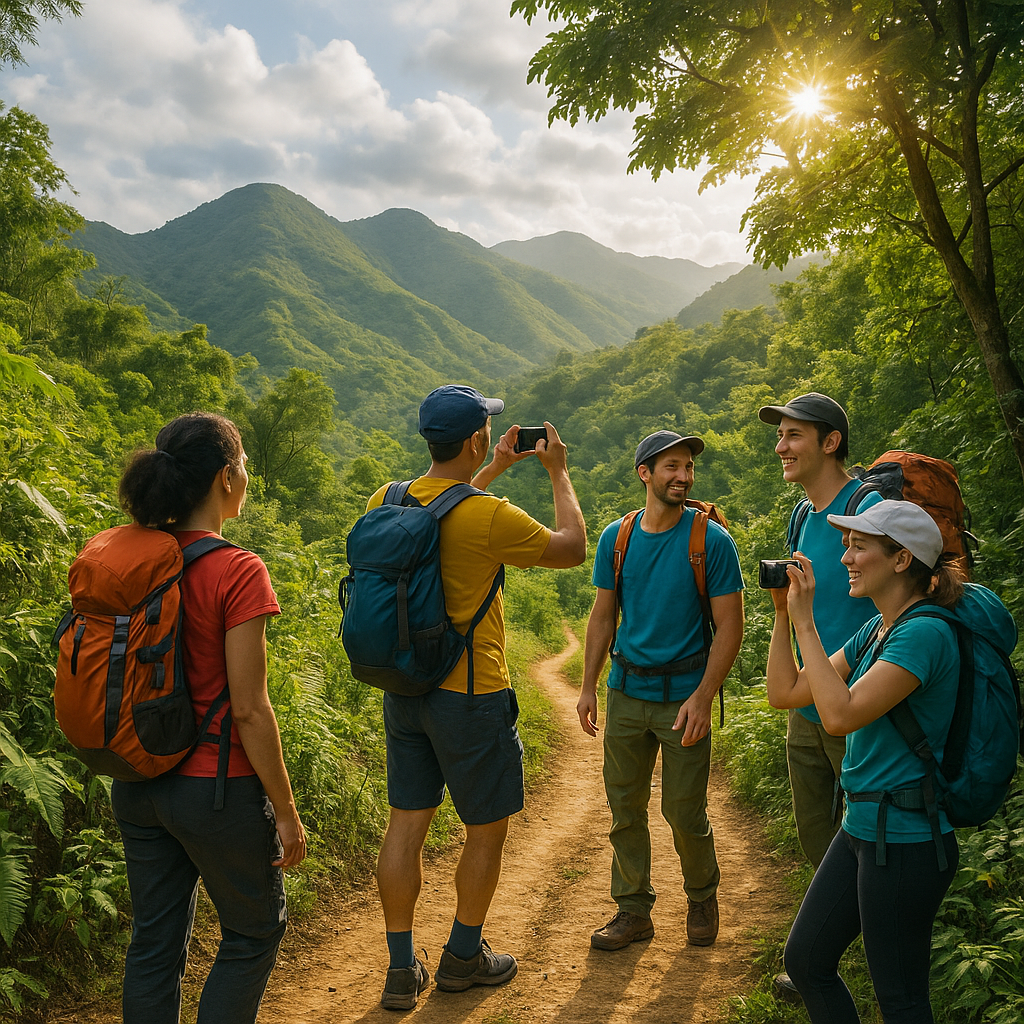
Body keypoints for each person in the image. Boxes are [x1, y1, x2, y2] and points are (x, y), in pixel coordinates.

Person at [371, 385, 586, 1010]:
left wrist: (491, 471)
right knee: (485, 829)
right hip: (471, 695)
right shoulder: (491, 519)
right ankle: (464, 955)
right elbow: (571, 547)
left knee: (406, 825)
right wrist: (558, 472)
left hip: (404, 689)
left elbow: (445, 506)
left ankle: (399, 967)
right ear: (475, 439)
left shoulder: (386, 499)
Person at [111, 412, 307, 1024]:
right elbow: (250, 708)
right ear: (227, 477)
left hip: (137, 779)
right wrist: (286, 809)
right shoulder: (237, 570)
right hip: (214, 789)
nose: (245, 477)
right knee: (252, 933)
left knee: (153, 945)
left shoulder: (133, 559)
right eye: (244, 465)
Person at [766, 500, 964, 1023]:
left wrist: (806, 621)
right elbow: (786, 692)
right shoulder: (877, 629)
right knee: (807, 961)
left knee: (900, 1000)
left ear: (902, 561)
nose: (846, 558)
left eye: (859, 546)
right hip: (862, 828)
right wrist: (785, 614)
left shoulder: (925, 634)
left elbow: (838, 715)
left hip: (906, 839)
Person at [578, 430, 744, 951]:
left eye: (688, 467)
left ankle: (700, 895)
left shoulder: (710, 541)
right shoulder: (617, 538)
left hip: (683, 699)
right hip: (626, 691)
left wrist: (702, 696)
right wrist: (587, 686)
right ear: (644, 473)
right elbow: (603, 616)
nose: (683, 476)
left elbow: (731, 626)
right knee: (624, 807)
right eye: (671, 466)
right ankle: (632, 911)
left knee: (683, 809)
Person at [758, 393, 884, 870]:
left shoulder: (867, 507)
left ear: (831, 442)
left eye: (794, 435)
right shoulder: (801, 515)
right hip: (805, 706)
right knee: (817, 842)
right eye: (780, 436)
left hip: (861, 707)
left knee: (869, 844)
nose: (781, 447)